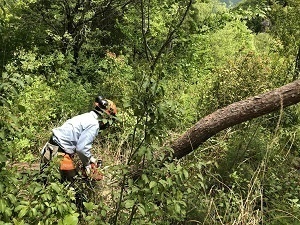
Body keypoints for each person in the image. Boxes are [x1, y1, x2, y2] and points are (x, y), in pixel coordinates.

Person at [40, 95, 117, 182]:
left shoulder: (86, 116)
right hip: (58, 153)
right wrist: (87, 166)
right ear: (106, 117)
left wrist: (91, 158)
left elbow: (77, 142)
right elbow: (82, 149)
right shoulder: (94, 124)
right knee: (72, 185)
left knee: (43, 182)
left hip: (50, 148)